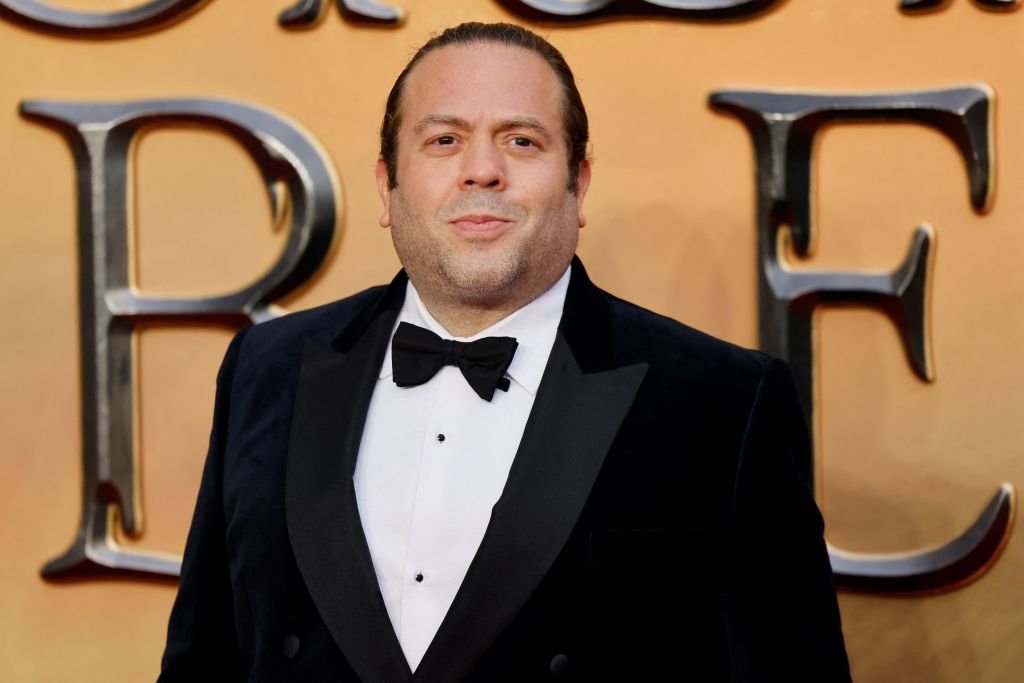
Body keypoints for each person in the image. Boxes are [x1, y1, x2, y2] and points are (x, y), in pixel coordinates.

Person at [159, 22, 851, 682]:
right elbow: (204, 659)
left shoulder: (724, 403)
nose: (481, 170)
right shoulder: (265, 369)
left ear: (578, 185)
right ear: (386, 185)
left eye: (521, 141)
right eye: (443, 140)